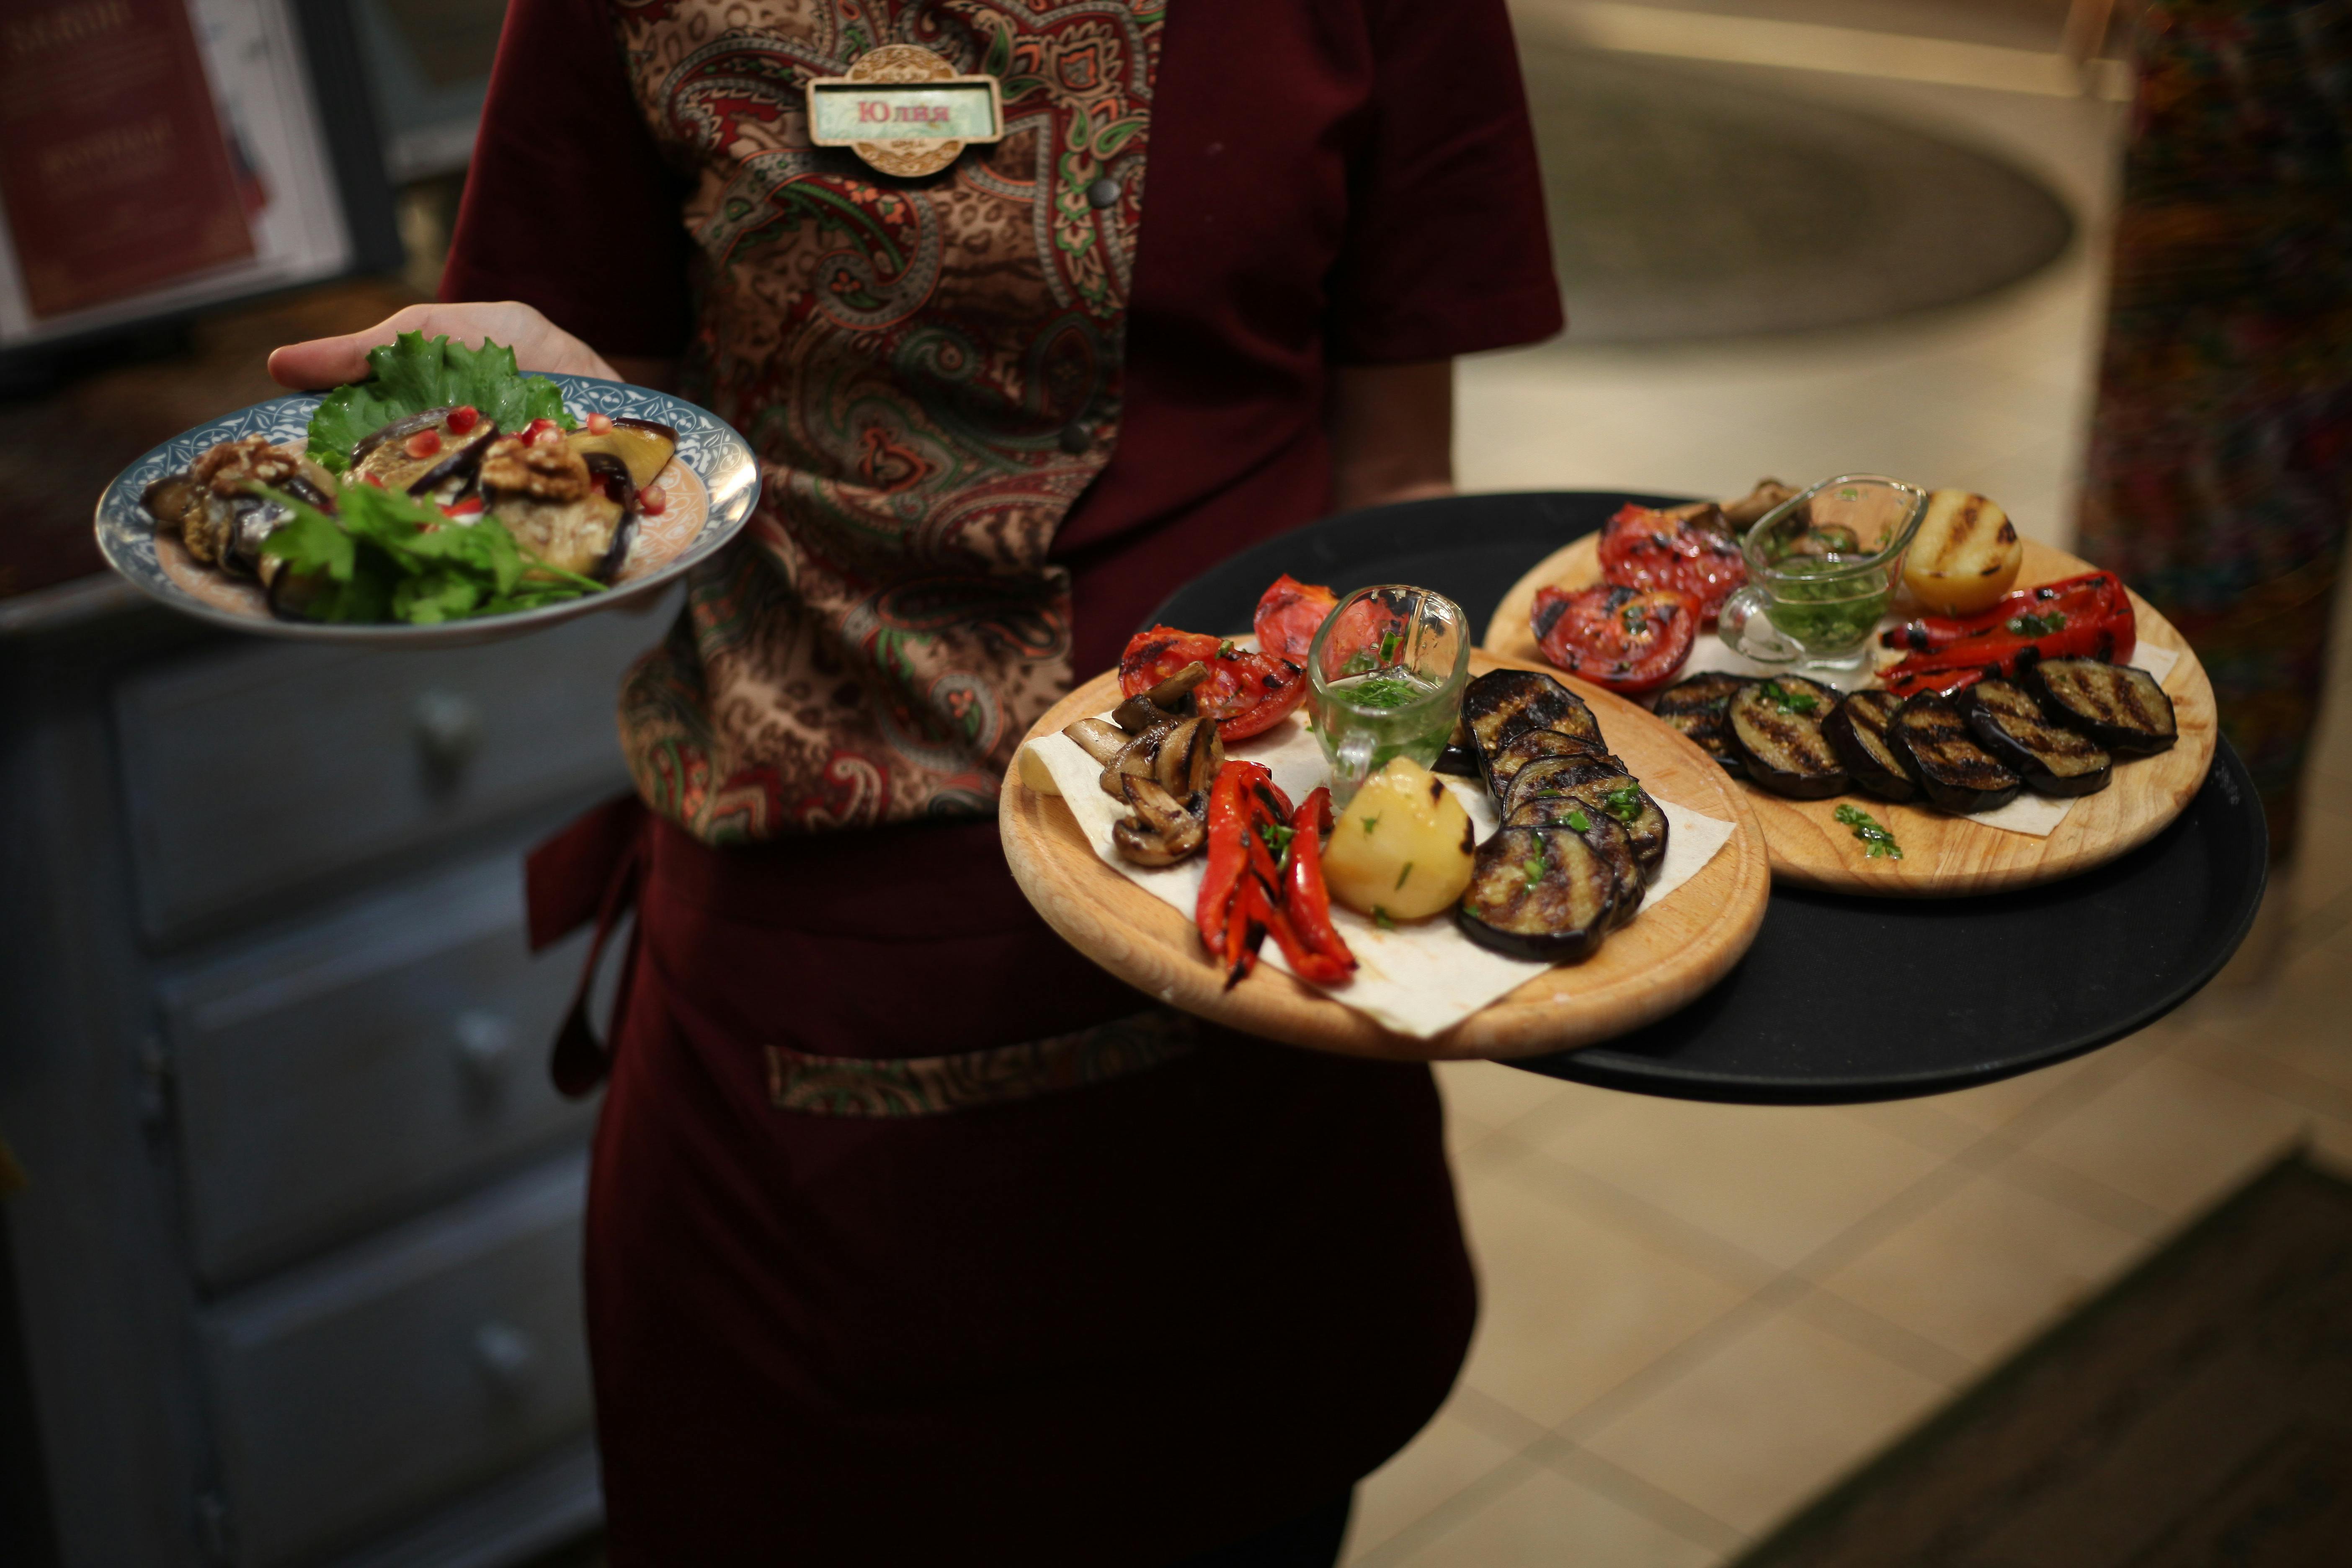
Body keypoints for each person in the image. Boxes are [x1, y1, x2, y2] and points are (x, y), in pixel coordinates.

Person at [271, 0, 1562, 1560]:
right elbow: (627, 524)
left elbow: (1394, 491)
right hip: (822, 999)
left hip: (1251, 972)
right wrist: (544, 438)